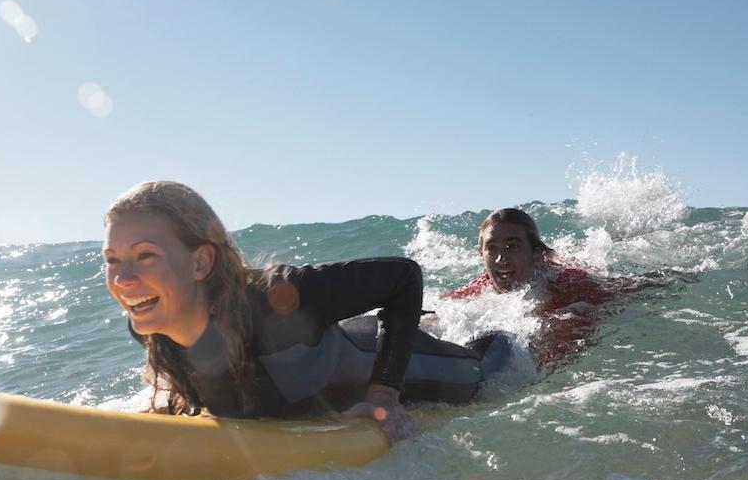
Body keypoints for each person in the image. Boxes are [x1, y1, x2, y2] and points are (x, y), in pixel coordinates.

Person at [103, 181, 514, 444]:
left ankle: (512, 333)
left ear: (199, 263)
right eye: (112, 260)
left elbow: (403, 277)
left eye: (145, 256)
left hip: (405, 365)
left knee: (488, 364)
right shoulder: (152, 324)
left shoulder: (275, 299)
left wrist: (383, 395)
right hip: (336, 345)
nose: (122, 278)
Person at [446, 208, 614, 367]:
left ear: (536, 252)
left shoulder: (567, 285)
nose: (500, 258)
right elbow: (441, 308)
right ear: (481, 254)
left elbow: (562, 358)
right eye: (491, 248)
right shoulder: (480, 287)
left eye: (511, 246)